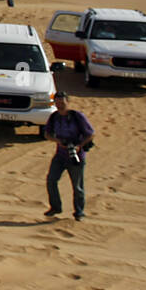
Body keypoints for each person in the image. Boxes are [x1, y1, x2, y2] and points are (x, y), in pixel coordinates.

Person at [42, 91, 93, 221]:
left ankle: (79, 212)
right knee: (51, 180)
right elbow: (47, 134)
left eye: (62, 102)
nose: (60, 105)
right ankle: (55, 207)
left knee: (77, 186)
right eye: (57, 102)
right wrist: (58, 141)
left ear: (68, 102)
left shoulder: (77, 116)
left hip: (76, 156)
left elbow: (91, 133)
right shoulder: (54, 117)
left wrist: (79, 146)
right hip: (60, 155)